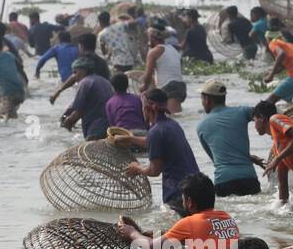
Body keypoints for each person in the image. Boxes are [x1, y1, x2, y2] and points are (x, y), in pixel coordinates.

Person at [116, 174, 240, 249]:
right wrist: (159, 234)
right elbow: (200, 237)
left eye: (183, 199)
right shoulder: (226, 218)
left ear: (189, 202)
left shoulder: (189, 223)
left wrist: (131, 232)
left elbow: (152, 247)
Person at [123, 88, 200, 216]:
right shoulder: (172, 124)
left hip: (178, 192)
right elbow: (152, 141)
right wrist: (130, 138)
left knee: (176, 233)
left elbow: (154, 170)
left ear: (147, 109)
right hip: (197, 187)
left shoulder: (156, 132)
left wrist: (137, 168)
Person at [194, 79, 263, 196]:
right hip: (249, 177)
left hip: (224, 180)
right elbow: (265, 115)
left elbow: (217, 158)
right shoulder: (243, 111)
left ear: (207, 100)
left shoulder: (201, 126)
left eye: (202, 98)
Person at [61, 58, 114, 140]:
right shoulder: (104, 81)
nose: (74, 76)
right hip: (111, 125)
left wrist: (68, 123)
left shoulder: (84, 83)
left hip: (95, 128)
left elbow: (78, 110)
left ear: (84, 70)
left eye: (75, 72)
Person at [141, 29, 186, 113]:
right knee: (177, 115)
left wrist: (144, 87)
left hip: (169, 87)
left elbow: (148, 76)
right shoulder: (173, 49)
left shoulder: (153, 52)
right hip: (180, 85)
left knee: (173, 117)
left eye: (148, 39)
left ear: (153, 39)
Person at [105, 71, 147, 137]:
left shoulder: (110, 103)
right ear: (127, 85)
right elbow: (144, 116)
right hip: (141, 132)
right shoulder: (137, 99)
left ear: (112, 87)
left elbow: (112, 124)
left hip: (123, 134)